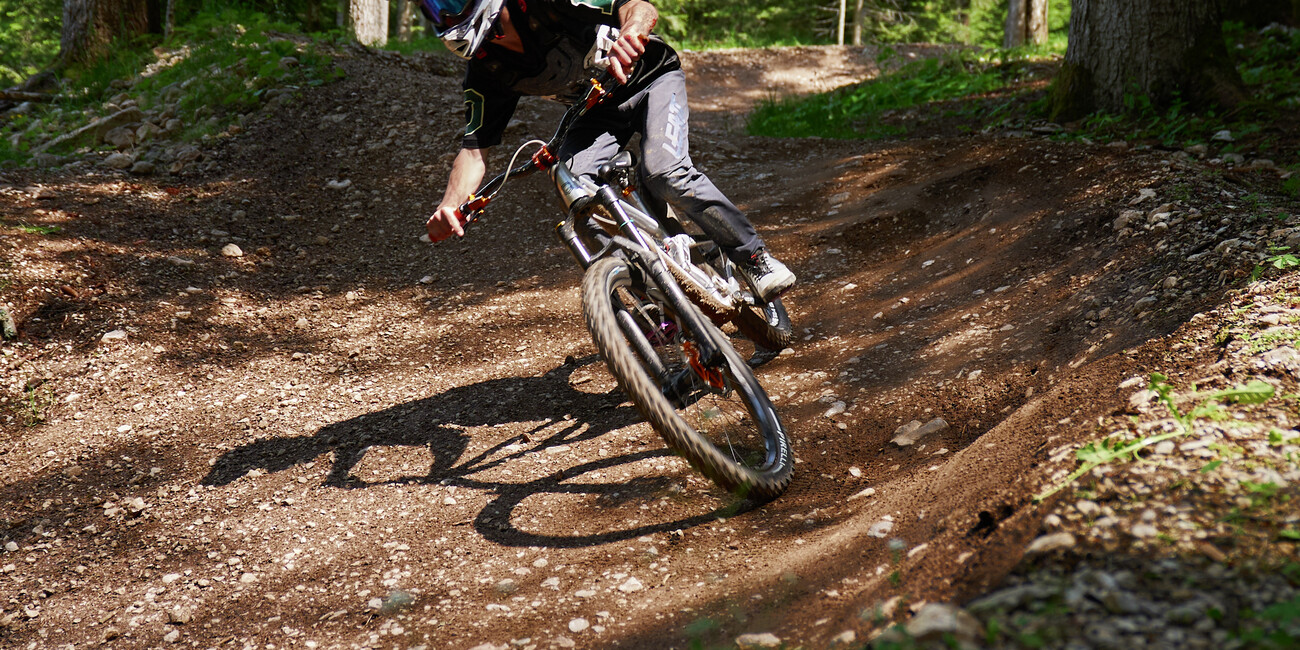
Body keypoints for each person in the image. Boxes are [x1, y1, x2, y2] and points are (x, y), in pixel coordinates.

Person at [420, 0, 795, 301]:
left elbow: (639, 6)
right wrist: (450, 205)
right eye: (436, 6)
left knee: (664, 172)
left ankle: (754, 257)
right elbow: (473, 151)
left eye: (450, 1)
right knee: (576, 193)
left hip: (650, 78)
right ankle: (653, 291)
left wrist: (632, 30)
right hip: (595, 113)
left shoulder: (548, 4)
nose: (447, 11)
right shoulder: (489, 70)